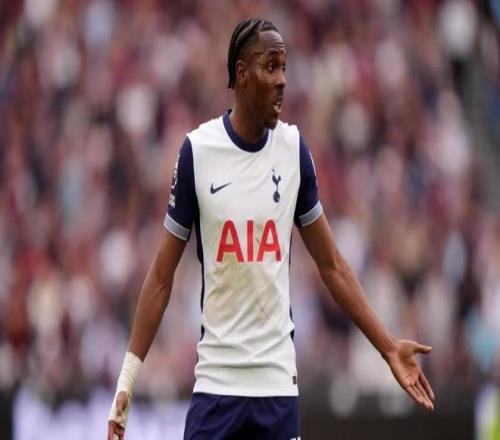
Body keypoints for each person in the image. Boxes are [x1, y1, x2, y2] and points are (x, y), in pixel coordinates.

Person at [107, 17, 435, 440]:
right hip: (216, 387)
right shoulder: (198, 152)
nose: (282, 81)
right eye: (271, 67)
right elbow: (160, 278)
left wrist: (388, 347)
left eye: (284, 68)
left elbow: (332, 265)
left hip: (277, 390)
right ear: (242, 74)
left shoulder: (293, 150)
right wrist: (127, 378)